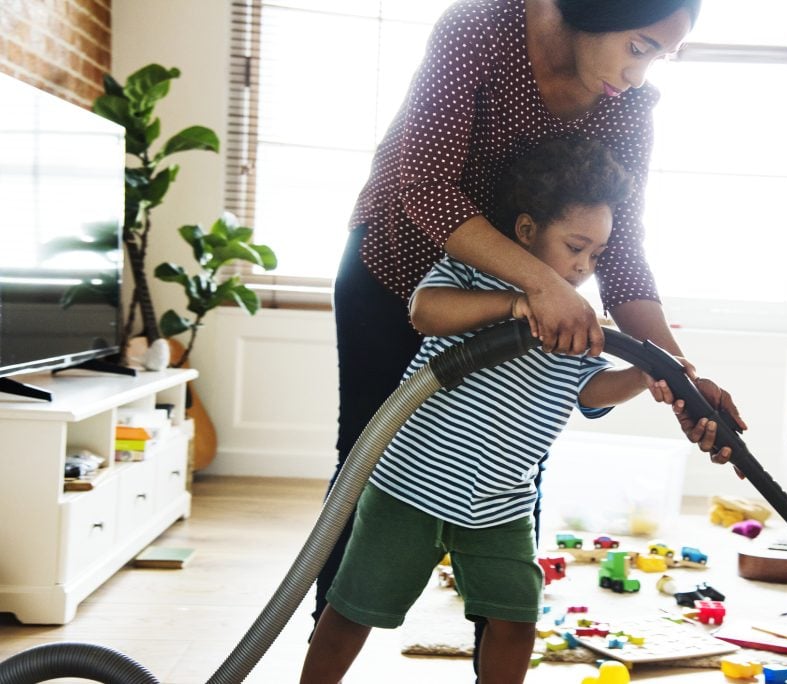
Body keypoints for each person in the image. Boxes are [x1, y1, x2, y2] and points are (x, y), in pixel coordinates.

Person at [319, 0, 747, 663]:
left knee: (516, 470)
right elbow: (426, 186)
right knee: (365, 467)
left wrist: (677, 374)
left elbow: (622, 251)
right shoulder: (481, 30)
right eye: (638, 46)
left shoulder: (628, 108)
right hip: (400, 267)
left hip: (536, 293)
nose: (640, 74)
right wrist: (541, 289)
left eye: (658, 57)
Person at [302, 138, 691, 684]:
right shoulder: (473, 275)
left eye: (595, 257)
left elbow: (589, 392)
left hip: (501, 504)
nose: (582, 268)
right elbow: (425, 310)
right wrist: (518, 304)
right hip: (409, 489)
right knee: (354, 611)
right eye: (574, 247)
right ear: (528, 231)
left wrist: (646, 373)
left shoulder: (579, 321)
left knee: (515, 621)